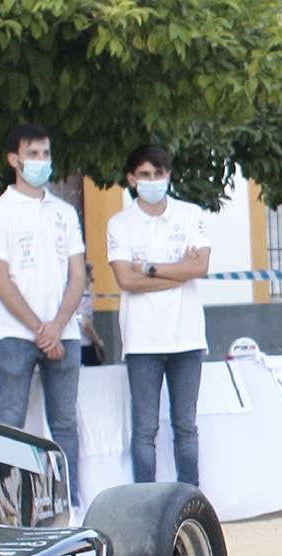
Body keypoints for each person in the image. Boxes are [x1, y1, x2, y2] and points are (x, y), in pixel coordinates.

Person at [0, 123, 87, 509]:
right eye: (33, 154)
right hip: (14, 335)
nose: (41, 162)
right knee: (9, 423)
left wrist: (58, 325)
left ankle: (67, 503)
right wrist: (39, 328)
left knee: (64, 425)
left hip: (65, 333)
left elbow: (78, 273)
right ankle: (8, 505)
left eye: (45, 154)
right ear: (14, 159)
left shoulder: (63, 212)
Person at [106, 144, 210, 486]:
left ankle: (190, 499)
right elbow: (125, 280)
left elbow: (201, 267)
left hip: (187, 336)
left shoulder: (191, 214)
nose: (153, 181)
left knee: (186, 426)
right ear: (132, 179)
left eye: (159, 174)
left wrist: (149, 269)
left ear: (169, 176)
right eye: (146, 175)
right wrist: (178, 273)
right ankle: (145, 504)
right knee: (145, 428)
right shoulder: (120, 224)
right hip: (142, 340)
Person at [78, 263, 106, 366]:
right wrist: (98, 342)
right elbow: (85, 323)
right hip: (85, 347)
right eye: (91, 278)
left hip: (71, 345)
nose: (91, 281)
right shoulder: (84, 296)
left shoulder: (67, 294)